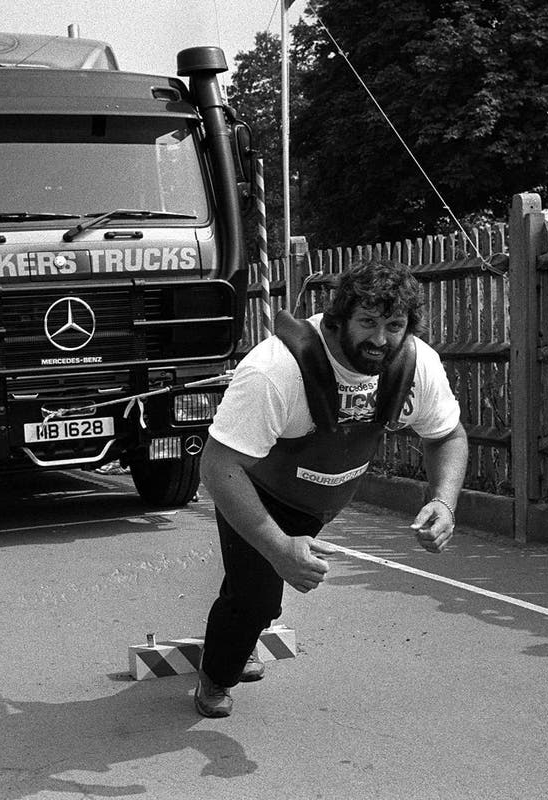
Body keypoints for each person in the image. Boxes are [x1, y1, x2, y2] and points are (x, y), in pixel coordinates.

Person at [193, 258, 469, 718]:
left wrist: (444, 502)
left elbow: (447, 437)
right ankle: (216, 677)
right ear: (339, 318)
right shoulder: (274, 369)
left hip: (320, 500)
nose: (380, 340)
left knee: (261, 586)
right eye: (367, 323)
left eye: (394, 325)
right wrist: (279, 547)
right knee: (256, 596)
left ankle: (245, 628)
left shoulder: (416, 365)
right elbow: (218, 466)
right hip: (253, 489)